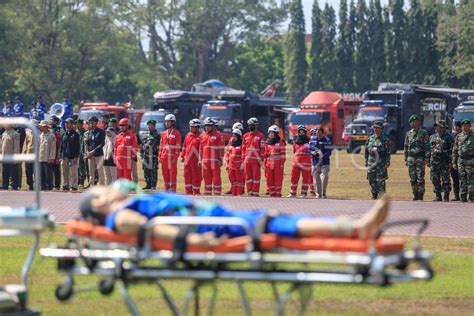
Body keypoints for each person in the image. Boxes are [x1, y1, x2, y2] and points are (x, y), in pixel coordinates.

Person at [80, 180, 391, 247]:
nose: (106, 187)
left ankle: (353, 228)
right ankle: (353, 228)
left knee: (273, 220)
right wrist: (194, 242)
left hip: (212, 219)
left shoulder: (130, 202)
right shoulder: (118, 216)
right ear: (97, 205)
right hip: (208, 227)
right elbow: (146, 229)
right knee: (273, 222)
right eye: (99, 191)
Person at [404, 115, 430, 201]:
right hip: (411, 158)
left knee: (420, 178)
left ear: (418, 122)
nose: (414, 123)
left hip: (420, 158)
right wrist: (406, 158)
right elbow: (406, 147)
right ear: (410, 123)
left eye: (415, 121)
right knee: (412, 178)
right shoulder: (408, 134)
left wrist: (426, 158)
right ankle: (415, 194)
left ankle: (421, 195)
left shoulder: (423, 133)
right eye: (412, 122)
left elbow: (427, 147)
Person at [427, 120, 453, 202]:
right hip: (434, 162)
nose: (437, 128)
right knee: (435, 179)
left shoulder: (449, 137)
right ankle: (438, 196)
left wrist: (450, 161)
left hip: (444, 162)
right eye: (436, 126)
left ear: (443, 127)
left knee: (445, 180)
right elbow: (429, 149)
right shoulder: (432, 137)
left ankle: (446, 196)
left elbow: (452, 150)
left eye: (439, 126)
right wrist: (428, 159)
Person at [365, 122, 391, 200]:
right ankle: (374, 195)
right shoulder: (370, 138)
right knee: (371, 179)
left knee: (381, 180)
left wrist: (387, 161)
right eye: (374, 128)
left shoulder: (385, 139)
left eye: (377, 128)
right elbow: (366, 150)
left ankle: (382, 196)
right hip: (371, 162)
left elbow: (388, 152)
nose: (375, 129)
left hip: (381, 162)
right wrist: (366, 160)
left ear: (382, 129)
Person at [200, 118, 224, 195]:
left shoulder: (218, 135)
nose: (207, 127)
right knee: (206, 177)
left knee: (216, 177)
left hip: (215, 161)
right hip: (205, 161)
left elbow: (221, 148)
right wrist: (200, 159)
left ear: (213, 126)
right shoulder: (202, 135)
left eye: (209, 126)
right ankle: (207, 192)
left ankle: (217, 192)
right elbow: (201, 148)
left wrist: (221, 159)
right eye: (206, 125)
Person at [242, 117, 265, 196]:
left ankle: (255, 192)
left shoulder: (260, 135)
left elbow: (262, 149)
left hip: (256, 161)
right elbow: (243, 148)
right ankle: (249, 192)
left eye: (253, 125)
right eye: (250, 125)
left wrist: (261, 161)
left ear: (256, 126)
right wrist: (243, 159)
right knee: (248, 177)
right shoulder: (245, 136)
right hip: (247, 161)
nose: (252, 126)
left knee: (256, 177)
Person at [452, 119, 473, 203]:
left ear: (470, 126)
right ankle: (463, 198)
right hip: (461, 160)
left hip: (471, 160)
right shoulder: (458, 136)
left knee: (471, 179)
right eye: (464, 125)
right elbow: (455, 150)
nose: (465, 127)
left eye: (467, 125)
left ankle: (471, 198)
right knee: (462, 179)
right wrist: (454, 162)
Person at [288, 126, 312, 198]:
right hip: (296, 164)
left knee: (305, 178)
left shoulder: (309, 142)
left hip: (306, 163)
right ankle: (292, 193)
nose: (301, 133)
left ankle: (303, 193)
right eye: (300, 131)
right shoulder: (296, 142)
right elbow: (294, 152)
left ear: (305, 132)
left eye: (303, 132)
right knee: (294, 178)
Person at [159, 114, 181, 191]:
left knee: (172, 175)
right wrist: (159, 156)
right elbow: (161, 145)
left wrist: (175, 157)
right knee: (165, 175)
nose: (166, 123)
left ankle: (172, 191)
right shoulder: (163, 133)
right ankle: (166, 190)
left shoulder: (177, 133)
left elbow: (178, 147)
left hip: (172, 159)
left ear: (173, 123)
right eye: (166, 122)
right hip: (164, 157)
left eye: (168, 122)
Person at [309, 128, 333, 199]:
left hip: (324, 162)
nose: (317, 134)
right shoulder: (312, 140)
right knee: (316, 179)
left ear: (322, 133)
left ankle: (323, 193)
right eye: (316, 132)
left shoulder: (327, 140)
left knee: (324, 176)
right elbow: (308, 149)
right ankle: (318, 195)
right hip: (315, 163)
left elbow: (329, 151)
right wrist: (311, 152)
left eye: (319, 132)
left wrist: (323, 155)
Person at [263, 125, 286, 197]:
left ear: (276, 134)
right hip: (269, 164)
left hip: (278, 164)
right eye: (269, 133)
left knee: (278, 179)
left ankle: (278, 193)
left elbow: (283, 154)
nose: (270, 135)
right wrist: (264, 163)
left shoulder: (281, 142)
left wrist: (282, 164)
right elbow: (265, 154)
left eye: (272, 133)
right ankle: (272, 193)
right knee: (269, 179)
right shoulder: (267, 142)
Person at [180, 119, 202, 195]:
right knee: (187, 176)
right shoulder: (188, 135)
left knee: (196, 176)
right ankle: (188, 191)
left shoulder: (201, 136)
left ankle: (196, 192)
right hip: (187, 160)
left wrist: (200, 159)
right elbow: (184, 146)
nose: (191, 128)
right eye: (191, 127)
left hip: (196, 161)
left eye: (193, 127)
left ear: (197, 127)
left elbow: (202, 149)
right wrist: (182, 156)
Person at [85, 116, 106, 186]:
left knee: (100, 171)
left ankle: (102, 186)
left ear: (96, 123)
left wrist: (93, 151)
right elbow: (87, 143)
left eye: (92, 122)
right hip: (90, 155)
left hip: (99, 155)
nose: (91, 123)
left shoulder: (101, 132)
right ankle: (91, 186)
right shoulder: (90, 132)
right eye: (90, 122)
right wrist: (87, 151)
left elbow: (102, 143)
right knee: (91, 172)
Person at [141, 119, 161, 190]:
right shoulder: (145, 134)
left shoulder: (158, 135)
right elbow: (142, 145)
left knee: (153, 172)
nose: (149, 127)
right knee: (146, 171)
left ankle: (153, 186)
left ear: (154, 126)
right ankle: (148, 184)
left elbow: (160, 146)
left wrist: (158, 156)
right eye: (149, 125)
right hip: (145, 156)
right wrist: (141, 155)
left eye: (151, 125)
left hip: (153, 156)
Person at [225, 129, 244, 196]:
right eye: (232, 136)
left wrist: (242, 164)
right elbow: (227, 155)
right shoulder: (231, 145)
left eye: (235, 136)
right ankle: (234, 193)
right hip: (231, 165)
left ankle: (239, 193)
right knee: (232, 180)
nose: (233, 137)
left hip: (238, 166)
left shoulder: (241, 145)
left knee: (239, 180)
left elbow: (243, 155)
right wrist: (227, 164)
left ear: (238, 137)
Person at [1, 124, 20, 190]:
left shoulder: (15, 134)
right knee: (5, 172)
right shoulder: (4, 133)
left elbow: (16, 147)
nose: (4, 125)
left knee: (13, 173)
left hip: (12, 157)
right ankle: (5, 186)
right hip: (4, 157)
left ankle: (15, 186)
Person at [38, 120, 56, 190]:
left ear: (46, 127)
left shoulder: (51, 135)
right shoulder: (41, 135)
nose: (41, 128)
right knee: (41, 174)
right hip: (41, 157)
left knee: (48, 174)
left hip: (47, 157)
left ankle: (49, 187)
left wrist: (51, 157)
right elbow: (39, 147)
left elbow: (53, 148)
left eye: (42, 126)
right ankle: (43, 187)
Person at [23, 119, 38, 190]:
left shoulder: (40, 133)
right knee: (28, 171)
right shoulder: (28, 133)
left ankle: (36, 185)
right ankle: (30, 185)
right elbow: (25, 144)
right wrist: (24, 153)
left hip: (36, 155)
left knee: (36, 171)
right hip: (28, 155)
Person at [450, 121, 462, 201]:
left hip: (463, 161)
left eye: (458, 126)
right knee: (455, 179)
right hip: (454, 161)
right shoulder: (452, 137)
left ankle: (464, 196)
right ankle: (456, 196)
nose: (457, 128)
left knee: (464, 179)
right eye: (456, 126)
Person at [50, 116, 62, 190]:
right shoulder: (48, 129)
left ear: (56, 122)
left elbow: (61, 142)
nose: (50, 121)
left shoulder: (60, 129)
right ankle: (50, 184)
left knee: (56, 170)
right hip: (49, 152)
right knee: (49, 169)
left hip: (57, 151)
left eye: (52, 120)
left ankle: (57, 185)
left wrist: (59, 155)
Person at [75, 119, 88, 188]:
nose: (77, 125)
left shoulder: (85, 132)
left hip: (83, 152)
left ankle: (82, 182)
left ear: (82, 124)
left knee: (83, 168)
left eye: (78, 124)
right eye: (76, 124)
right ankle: (77, 182)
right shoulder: (76, 132)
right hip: (77, 152)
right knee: (77, 167)